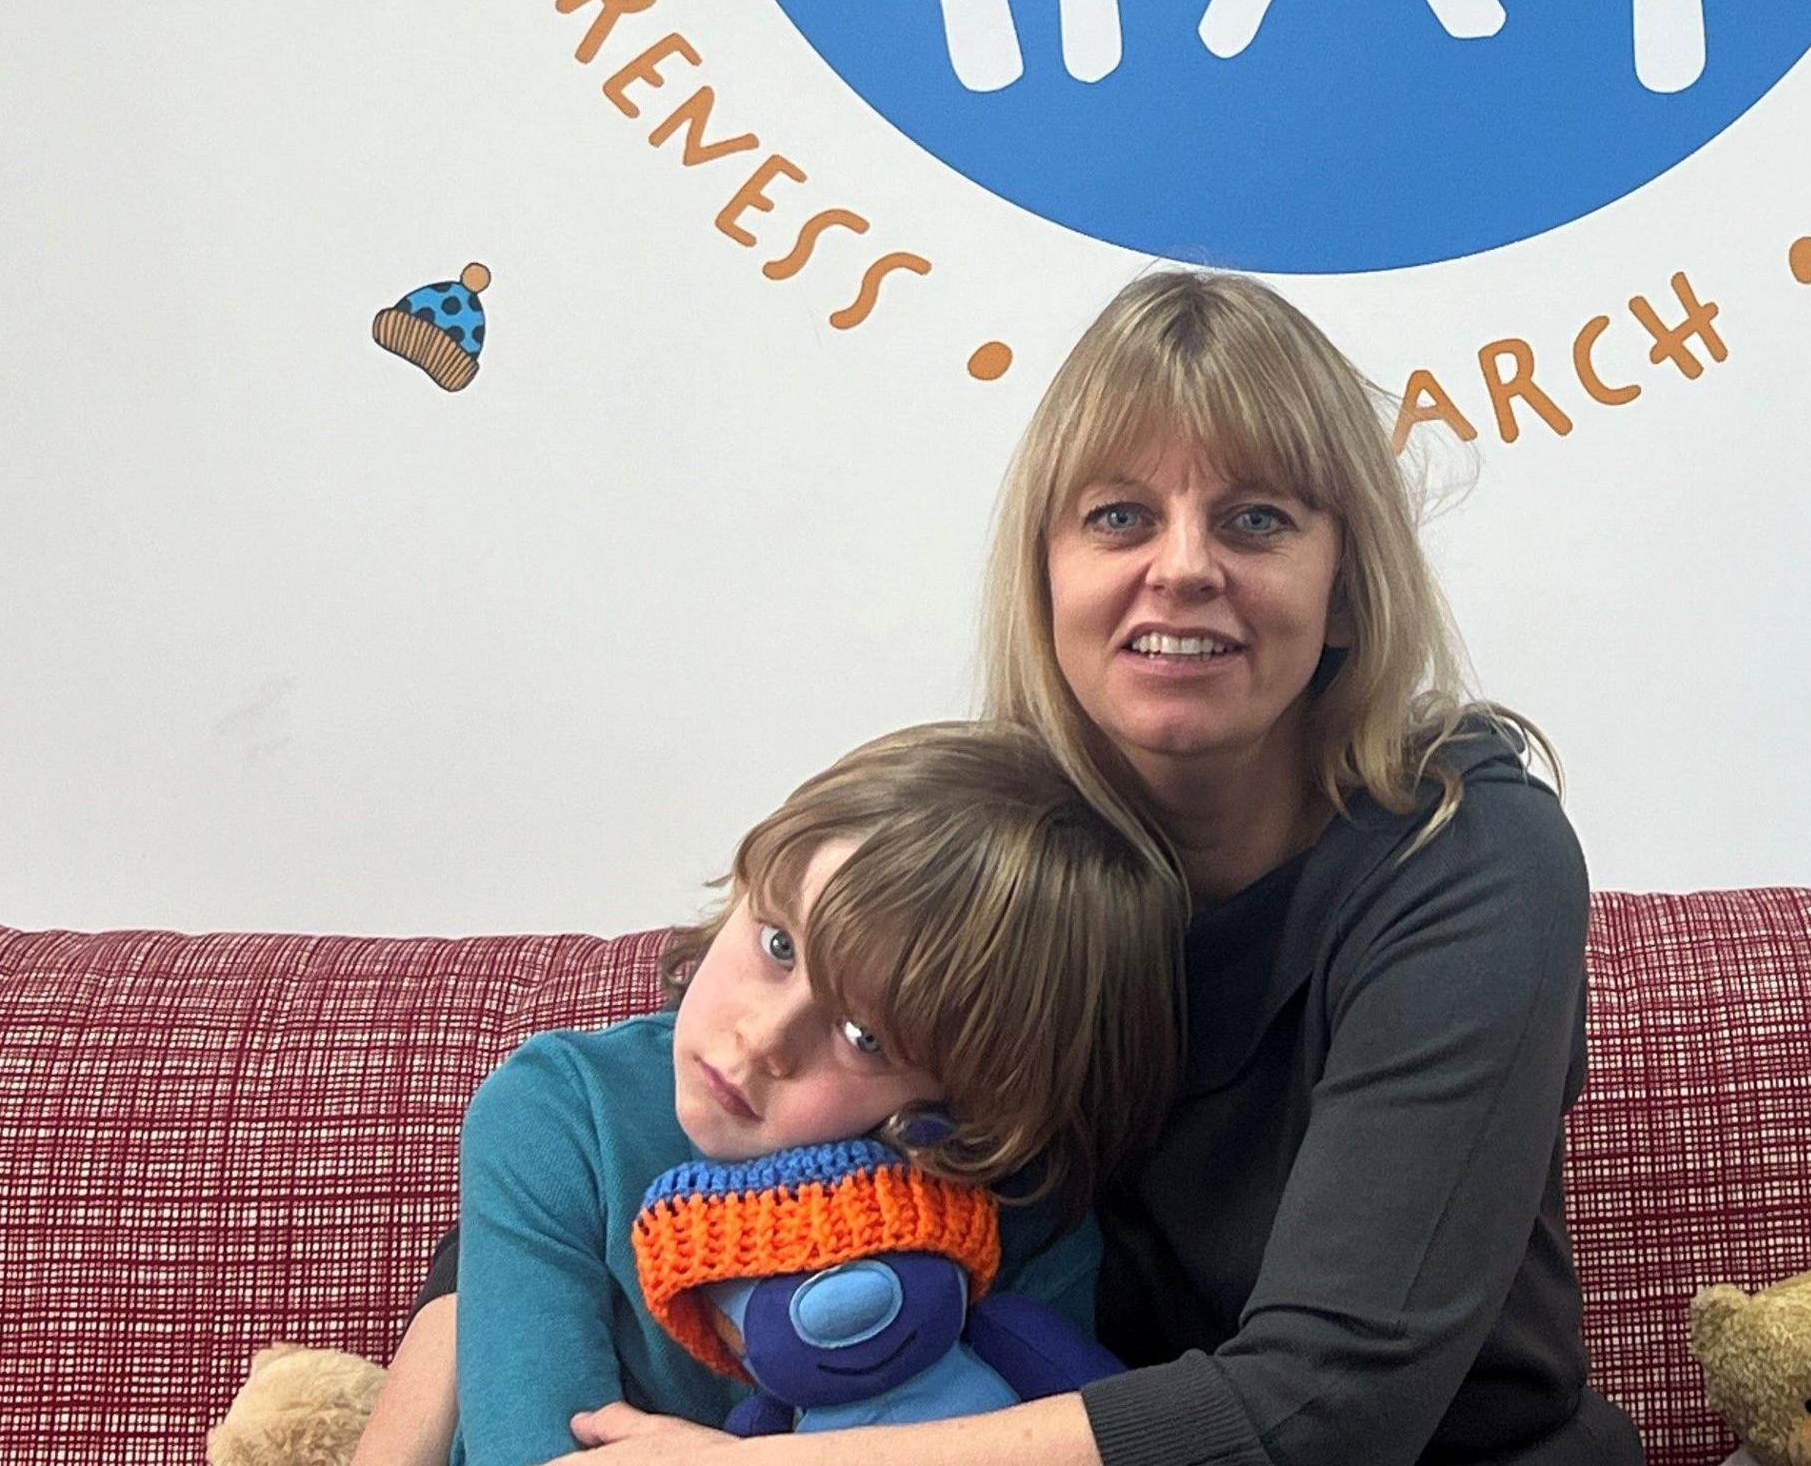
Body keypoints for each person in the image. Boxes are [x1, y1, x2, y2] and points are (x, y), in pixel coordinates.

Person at [553, 269, 1638, 1465]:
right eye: (1119, 516)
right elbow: (644, 1110)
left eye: (1257, 519)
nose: (1181, 568)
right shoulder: (1012, 862)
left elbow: (1331, 1407)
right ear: (1049, 575)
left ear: (1345, 595)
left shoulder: (1467, 853)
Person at [376, 722, 1187, 1466]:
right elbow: (534, 1451)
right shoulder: (559, 1112)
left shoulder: (1001, 1207)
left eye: (864, 1037)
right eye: (777, 944)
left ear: (957, 1106)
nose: (763, 1038)